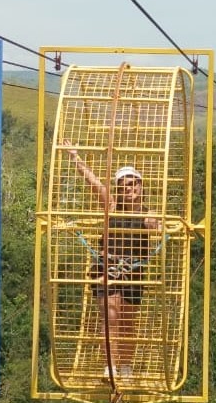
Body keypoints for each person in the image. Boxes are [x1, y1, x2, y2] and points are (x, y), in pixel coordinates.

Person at [63, 142, 160, 381]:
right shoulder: (112, 205)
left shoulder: (147, 213)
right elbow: (93, 182)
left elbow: (157, 226)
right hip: (108, 268)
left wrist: (155, 226)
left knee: (127, 320)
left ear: (140, 186)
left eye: (133, 184)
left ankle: (125, 366)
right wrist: (76, 158)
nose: (129, 189)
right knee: (111, 315)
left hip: (133, 273)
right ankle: (111, 366)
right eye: (124, 185)